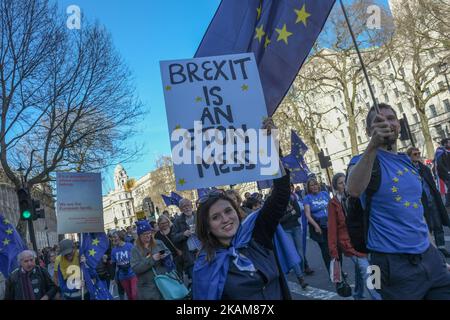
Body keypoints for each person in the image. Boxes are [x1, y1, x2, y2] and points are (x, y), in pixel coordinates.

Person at [347, 103, 450, 300]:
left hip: (430, 260)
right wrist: (372, 146)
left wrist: (436, 256)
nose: (387, 123)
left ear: (399, 124)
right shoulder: (362, 161)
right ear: (369, 131)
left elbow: (417, 215)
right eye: (378, 120)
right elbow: (353, 189)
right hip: (394, 268)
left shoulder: (408, 163)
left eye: (391, 118)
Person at [328, 173, 381, 300]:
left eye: (345, 182)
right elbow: (332, 229)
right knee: (368, 271)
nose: (344, 185)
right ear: (335, 187)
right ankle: (378, 296)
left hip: (363, 240)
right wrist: (334, 252)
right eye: (340, 183)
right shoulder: (333, 203)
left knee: (363, 269)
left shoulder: (355, 197)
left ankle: (358, 294)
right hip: (348, 243)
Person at [407, 147, 450, 258]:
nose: (417, 155)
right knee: (427, 226)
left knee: (438, 224)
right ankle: (430, 250)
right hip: (421, 202)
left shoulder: (424, 168)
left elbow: (431, 183)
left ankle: (441, 247)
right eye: (415, 154)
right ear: (409, 156)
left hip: (432, 199)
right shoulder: (407, 170)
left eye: (418, 153)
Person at [130, 220, 172, 300]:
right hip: (148, 288)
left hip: (164, 281)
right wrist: (152, 259)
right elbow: (135, 268)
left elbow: (169, 254)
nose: (148, 235)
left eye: (149, 233)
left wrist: (165, 257)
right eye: (144, 234)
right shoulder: (135, 250)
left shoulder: (159, 243)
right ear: (139, 236)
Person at [279, 185, 309, 289]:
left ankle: (300, 269)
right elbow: (280, 220)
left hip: (296, 227)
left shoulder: (292, 198)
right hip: (286, 230)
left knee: (300, 253)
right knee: (293, 253)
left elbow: (298, 214)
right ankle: (300, 278)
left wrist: (289, 215)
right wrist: (291, 214)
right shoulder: (276, 204)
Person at [303, 178, 332, 273]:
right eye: (312, 185)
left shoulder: (325, 194)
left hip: (330, 223)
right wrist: (316, 226)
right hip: (319, 226)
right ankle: (332, 272)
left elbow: (332, 208)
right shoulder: (307, 198)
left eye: (315, 184)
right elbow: (307, 215)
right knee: (326, 251)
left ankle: (338, 270)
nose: (314, 186)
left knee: (335, 249)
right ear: (308, 187)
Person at [172, 198, 199, 280]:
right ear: (180, 209)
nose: (187, 208)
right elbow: (173, 237)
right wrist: (183, 234)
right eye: (184, 206)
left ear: (191, 205)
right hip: (189, 255)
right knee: (195, 279)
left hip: (203, 251)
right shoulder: (177, 221)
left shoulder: (199, 215)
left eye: (188, 205)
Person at [111, 231, 138, 300]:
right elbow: (114, 265)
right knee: (129, 296)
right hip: (122, 275)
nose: (113, 239)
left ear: (120, 237)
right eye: (112, 238)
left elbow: (135, 258)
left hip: (132, 273)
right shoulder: (114, 250)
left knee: (134, 294)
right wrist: (114, 278)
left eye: (115, 237)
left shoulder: (129, 246)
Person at [435, 138, 450, 207]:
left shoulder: (446, 151)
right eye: (449, 143)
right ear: (445, 144)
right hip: (445, 174)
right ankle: (447, 205)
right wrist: (447, 172)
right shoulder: (440, 152)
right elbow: (440, 165)